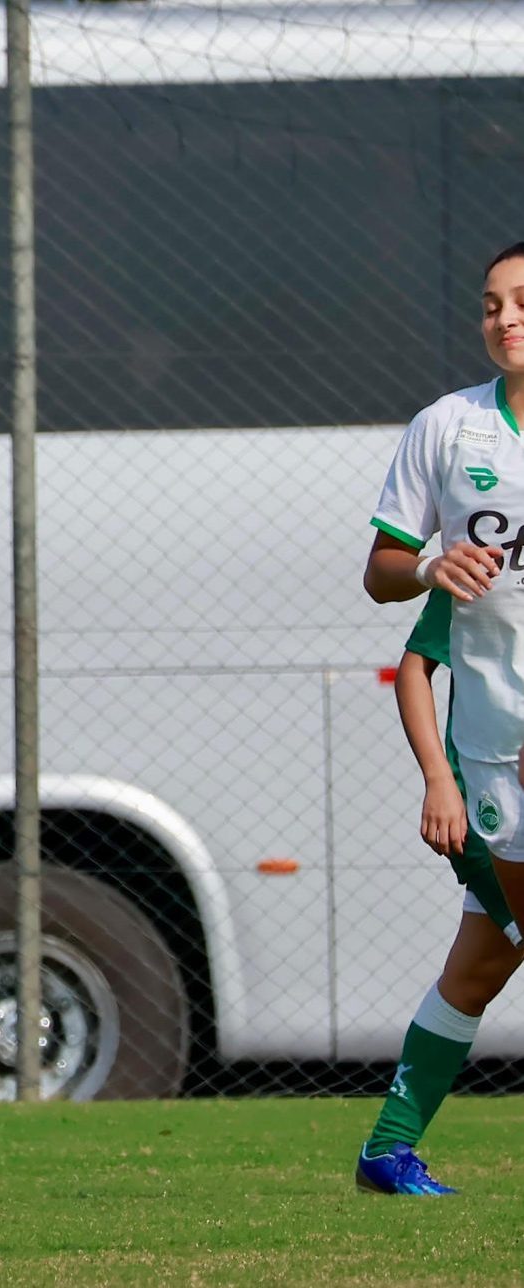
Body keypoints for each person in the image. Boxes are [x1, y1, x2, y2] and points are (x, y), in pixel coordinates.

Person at [358, 239, 524, 1195]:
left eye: (520, 302)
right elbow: (384, 579)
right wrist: (426, 563)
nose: (503, 318)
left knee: (480, 965)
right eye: (490, 306)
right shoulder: (447, 430)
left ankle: (386, 1151)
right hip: (494, 761)